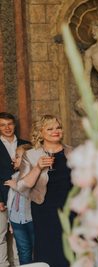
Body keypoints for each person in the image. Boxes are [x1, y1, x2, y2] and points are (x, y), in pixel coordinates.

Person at [17, 115, 73, 266]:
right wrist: (38, 167)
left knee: (73, 249)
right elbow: (21, 187)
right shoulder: (31, 155)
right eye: (50, 128)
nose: (56, 131)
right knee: (50, 250)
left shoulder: (73, 152)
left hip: (71, 209)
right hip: (45, 210)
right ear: (41, 132)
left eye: (58, 127)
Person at [0, 112, 29, 267]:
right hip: (2, 196)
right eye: (3, 125)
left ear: (14, 125)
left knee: (20, 235)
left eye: (10, 124)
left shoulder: (26, 144)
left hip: (23, 197)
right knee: (1, 235)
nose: (7, 127)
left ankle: (20, 265)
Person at [4, 144, 34, 264]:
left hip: (31, 220)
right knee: (23, 251)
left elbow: (33, 197)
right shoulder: (14, 176)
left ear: (28, 158)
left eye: (17, 156)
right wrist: (10, 221)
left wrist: (16, 186)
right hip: (17, 220)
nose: (13, 159)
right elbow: (10, 201)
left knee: (37, 250)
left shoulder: (35, 177)